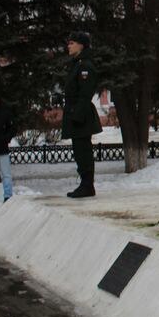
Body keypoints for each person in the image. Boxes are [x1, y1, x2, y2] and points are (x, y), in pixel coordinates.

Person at [63, 31, 102, 198]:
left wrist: (76, 115)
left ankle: (87, 185)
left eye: (72, 43)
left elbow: (85, 93)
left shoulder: (85, 66)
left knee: (83, 150)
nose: (69, 46)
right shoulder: (77, 64)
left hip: (81, 114)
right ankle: (85, 184)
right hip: (76, 112)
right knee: (79, 150)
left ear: (81, 45)